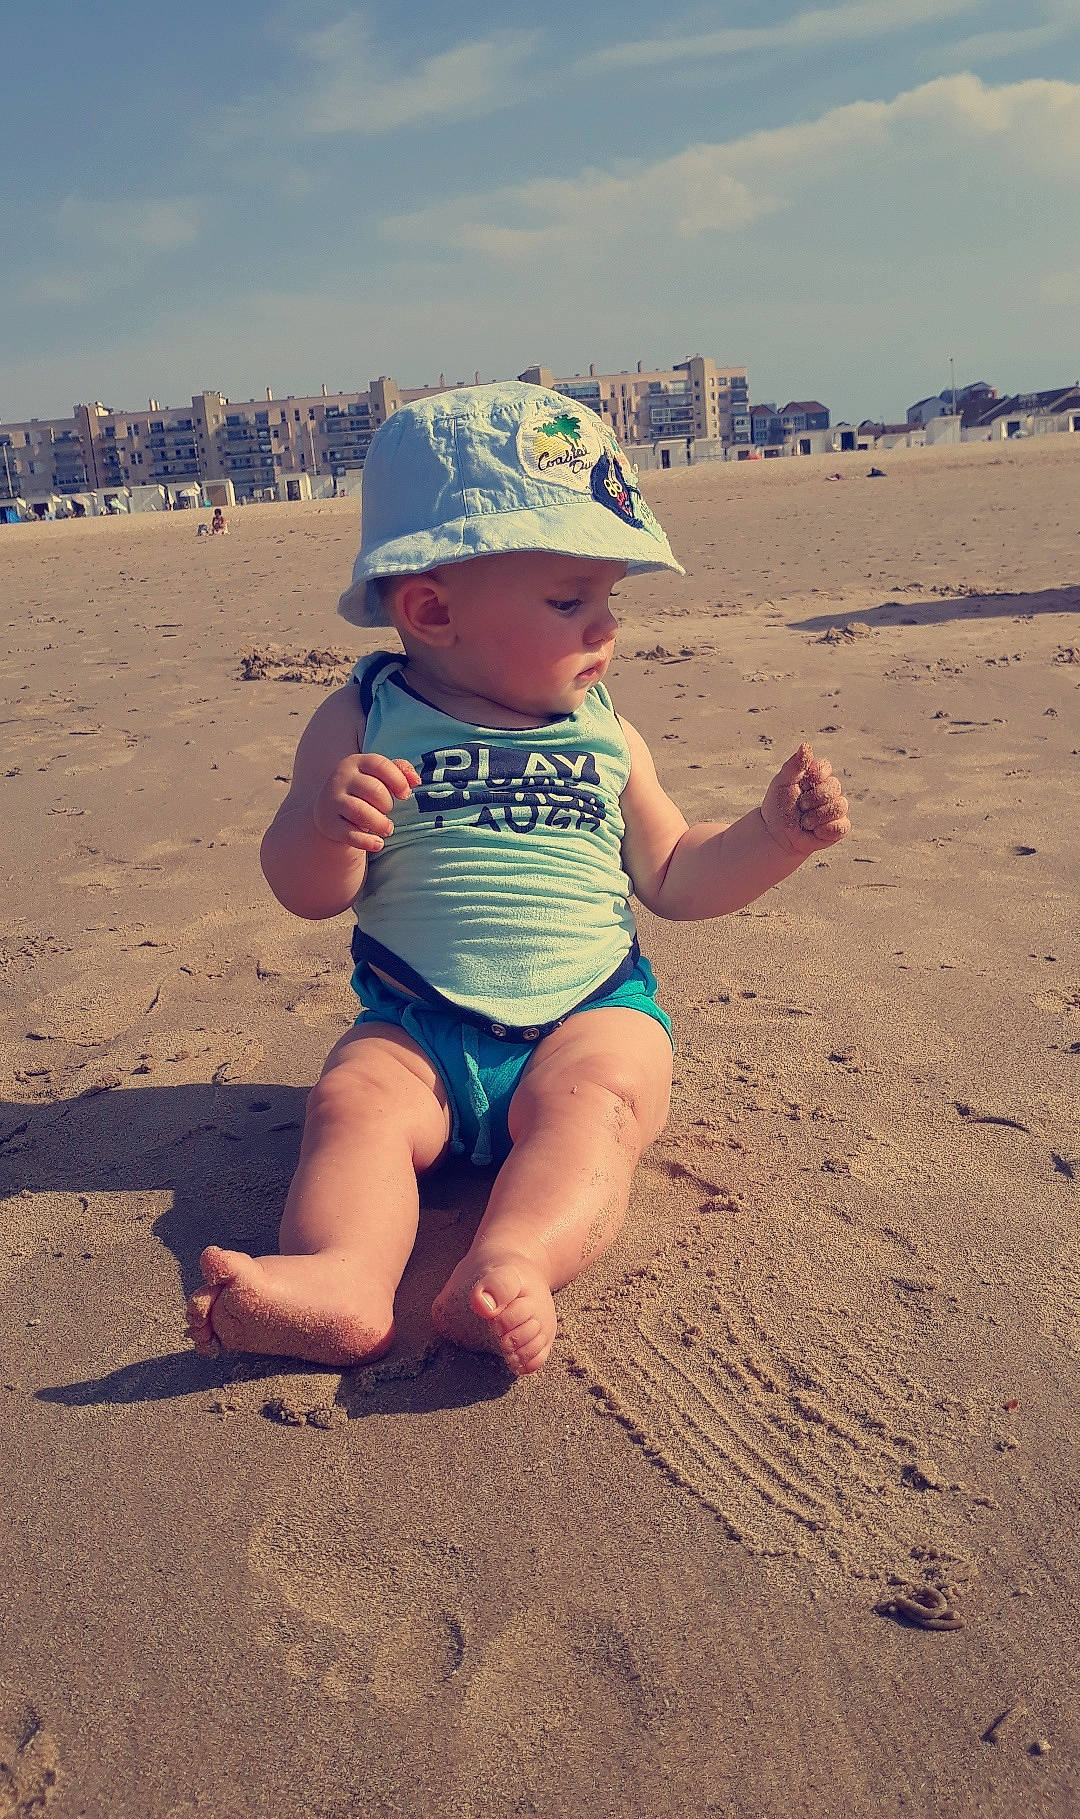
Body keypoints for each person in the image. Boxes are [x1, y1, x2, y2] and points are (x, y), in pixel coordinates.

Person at [187, 382, 850, 1377]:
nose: (605, 627)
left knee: (608, 1103)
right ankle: (344, 1278)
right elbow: (305, 885)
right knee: (352, 1104)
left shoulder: (606, 734)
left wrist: (770, 837)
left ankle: (516, 1260)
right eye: (569, 599)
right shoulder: (364, 720)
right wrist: (328, 825)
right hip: (417, 1026)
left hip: (586, 1012)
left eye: (609, 599)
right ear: (432, 608)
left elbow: (673, 871)